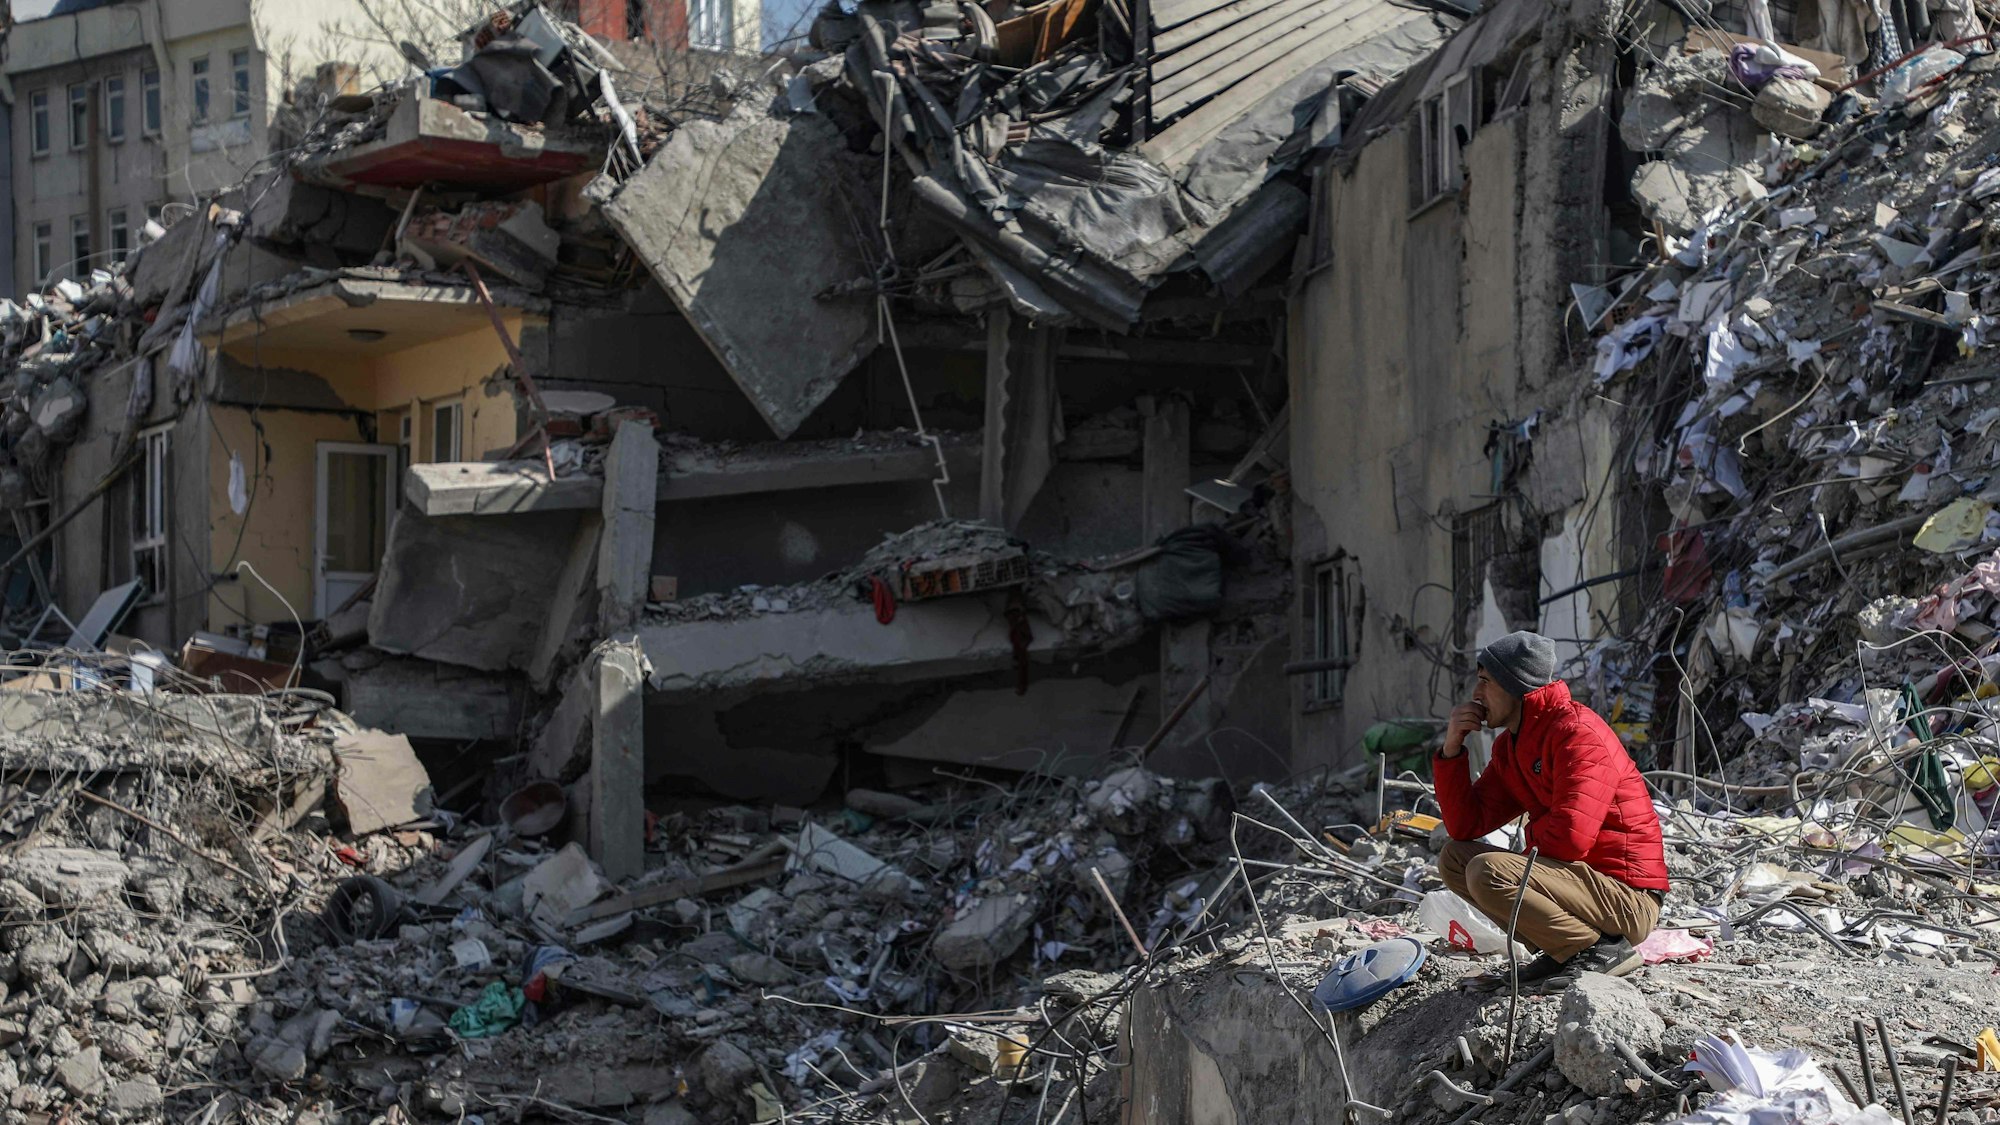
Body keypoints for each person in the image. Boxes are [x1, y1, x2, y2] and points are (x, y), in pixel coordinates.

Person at [1433, 630, 1668, 985]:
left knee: (1488, 871)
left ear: (1515, 684)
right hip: (1582, 890)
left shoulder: (1576, 734)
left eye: (1485, 682)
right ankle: (1565, 950)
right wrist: (1452, 749)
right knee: (1455, 859)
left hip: (1627, 899)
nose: (1476, 696)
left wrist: (1517, 861)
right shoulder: (1513, 746)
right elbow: (1466, 824)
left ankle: (1600, 950)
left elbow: (1571, 838)